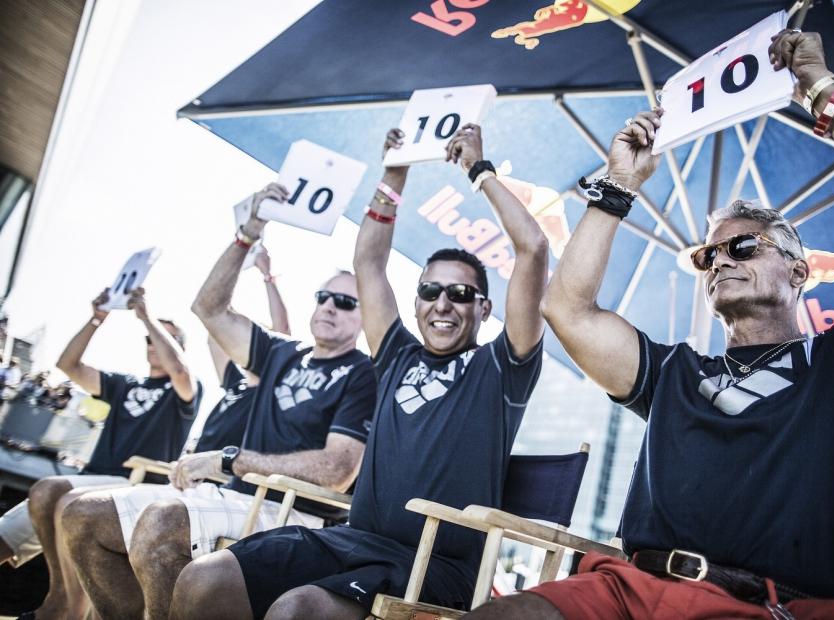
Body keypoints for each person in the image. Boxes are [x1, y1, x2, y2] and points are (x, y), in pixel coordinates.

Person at [465, 29, 834, 620]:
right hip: (628, 590)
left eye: (742, 248)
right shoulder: (673, 373)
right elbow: (566, 311)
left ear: (798, 270)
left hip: (772, 607)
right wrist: (620, 185)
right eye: (709, 256)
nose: (720, 262)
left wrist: (820, 89)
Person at [168, 124, 549, 620]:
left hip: (434, 568)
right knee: (204, 578)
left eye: (459, 294)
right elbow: (368, 260)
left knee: (296, 610)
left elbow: (534, 249)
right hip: (350, 540)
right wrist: (395, 170)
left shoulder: (501, 367)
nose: (443, 304)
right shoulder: (396, 356)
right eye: (430, 291)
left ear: (484, 308)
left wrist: (479, 170)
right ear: (416, 303)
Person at [60, 185, 377, 620]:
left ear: (367, 314)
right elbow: (208, 308)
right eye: (323, 296)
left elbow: (337, 471)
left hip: (291, 512)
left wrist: (231, 461)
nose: (329, 307)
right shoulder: (283, 352)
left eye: (345, 302)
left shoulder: (367, 373)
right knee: (83, 516)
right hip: (232, 497)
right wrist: (249, 231)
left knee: (161, 521)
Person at [0, 287, 201, 618]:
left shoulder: (184, 391)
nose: (154, 342)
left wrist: (146, 317)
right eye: (149, 338)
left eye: (165, 337)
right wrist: (98, 317)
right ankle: (62, 602)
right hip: (90, 480)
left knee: (50, 490)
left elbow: (180, 371)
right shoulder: (124, 383)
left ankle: (61, 604)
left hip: (133, 485)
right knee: (13, 528)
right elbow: (68, 364)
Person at [194, 243, 291, 453]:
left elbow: (282, 330)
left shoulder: (271, 388)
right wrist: (237, 261)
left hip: (219, 479)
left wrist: (267, 275)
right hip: (190, 473)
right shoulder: (235, 383)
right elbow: (215, 326)